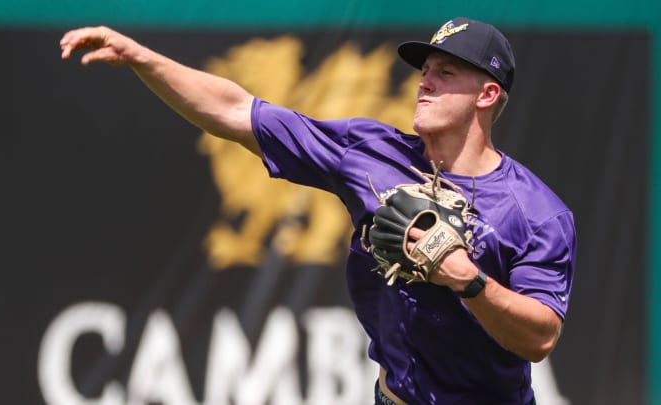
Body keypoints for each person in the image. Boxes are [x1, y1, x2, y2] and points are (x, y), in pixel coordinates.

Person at [60, 17, 575, 405]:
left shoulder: (535, 212)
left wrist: (468, 280)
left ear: (487, 93)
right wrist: (141, 58)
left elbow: (540, 336)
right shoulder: (370, 151)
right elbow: (238, 111)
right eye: (425, 70)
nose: (425, 82)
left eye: (446, 72)